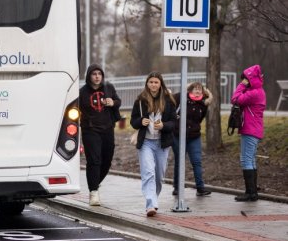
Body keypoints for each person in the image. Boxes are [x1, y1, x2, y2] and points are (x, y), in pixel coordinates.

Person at [130, 72, 177, 217]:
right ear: (147, 84)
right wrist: (140, 122)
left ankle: (153, 199)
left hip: (162, 144)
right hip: (146, 143)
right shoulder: (140, 100)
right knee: (148, 172)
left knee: (159, 176)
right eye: (151, 82)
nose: (153, 85)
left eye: (156, 82)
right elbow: (133, 121)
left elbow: (174, 123)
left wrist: (163, 125)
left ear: (161, 84)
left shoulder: (168, 101)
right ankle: (151, 204)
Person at [79, 64, 122, 206]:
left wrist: (112, 102)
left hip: (107, 128)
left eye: (99, 74)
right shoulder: (82, 92)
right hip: (90, 130)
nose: (97, 76)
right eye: (94, 74)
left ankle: (94, 183)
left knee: (107, 160)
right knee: (94, 160)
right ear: (89, 76)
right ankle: (94, 192)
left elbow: (118, 101)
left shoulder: (108, 88)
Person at [231, 64, 266, 202]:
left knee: (246, 160)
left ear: (250, 79)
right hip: (254, 129)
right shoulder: (258, 91)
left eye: (246, 79)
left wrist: (241, 85)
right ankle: (252, 192)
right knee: (251, 159)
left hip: (250, 130)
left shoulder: (254, 93)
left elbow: (235, 99)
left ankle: (250, 193)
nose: (244, 81)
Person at [172, 82, 212, 196]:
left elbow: (200, 119)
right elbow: (170, 105)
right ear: (190, 90)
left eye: (200, 89)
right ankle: (177, 187)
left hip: (194, 136)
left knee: (197, 161)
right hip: (178, 135)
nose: (198, 91)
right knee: (179, 161)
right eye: (195, 89)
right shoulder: (180, 97)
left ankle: (200, 188)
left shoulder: (203, 104)